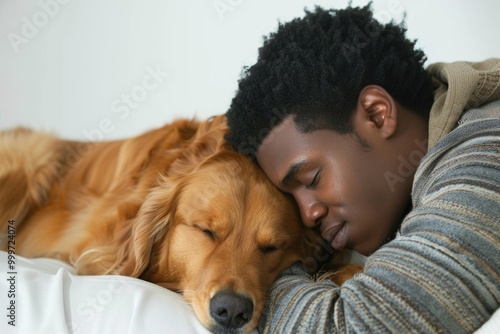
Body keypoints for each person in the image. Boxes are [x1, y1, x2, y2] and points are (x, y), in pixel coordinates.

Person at [225, 4, 500, 333]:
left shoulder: (487, 151)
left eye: (311, 179)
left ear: (377, 114)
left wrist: (253, 282)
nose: (308, 215)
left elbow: (358, 325)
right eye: (292, 197)